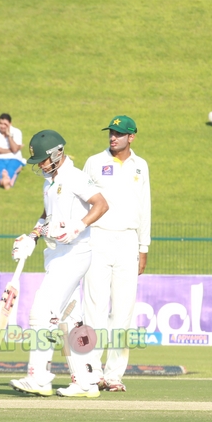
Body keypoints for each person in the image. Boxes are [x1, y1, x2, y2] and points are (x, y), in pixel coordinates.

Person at [9, 130, 109, 398]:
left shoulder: (74, 177)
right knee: (69, 319)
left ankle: (39, 378)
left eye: (43, 159)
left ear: (57, 153)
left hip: (74, 252)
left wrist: (78, 226)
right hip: (55, 255)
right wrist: (31, 236)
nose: (40, 165)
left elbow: (101, 204)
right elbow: (46, 217)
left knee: (42, 313)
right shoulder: (49, 182)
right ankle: (85, 382)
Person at [82, 116, 151, 392]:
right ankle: (91, 371)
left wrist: (143, 247)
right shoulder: (94, 162)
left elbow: (145, 207)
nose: (113, 138)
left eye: (119, 134)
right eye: (111, 133)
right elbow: (80, 201)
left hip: (127, 240)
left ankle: (113, 375)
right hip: (97, 237)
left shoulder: (140, 166)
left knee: (122, 313)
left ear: (131, 137)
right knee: (94, 309)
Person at [0, 113, 24, 189]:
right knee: (0, 172)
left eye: (5, 124)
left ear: (10, 124)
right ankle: (4, 181)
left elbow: (14, 149)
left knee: (11, 171)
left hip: (15, 158)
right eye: (0, 123)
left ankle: (6, 182)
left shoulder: (17, 132)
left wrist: (9, 136)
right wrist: (11, 150)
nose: (2, 126)